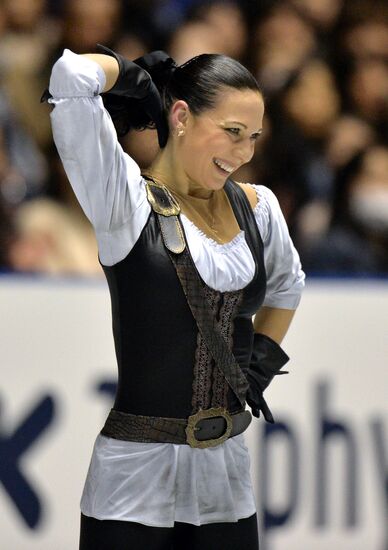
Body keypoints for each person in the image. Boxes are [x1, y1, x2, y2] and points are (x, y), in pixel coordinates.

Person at [46, 44, 305, 550]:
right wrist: (135, 76)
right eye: (231, 132)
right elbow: (71, 75)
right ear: (181, 116)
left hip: (226, 478)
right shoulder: (123, 202)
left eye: (252, 137)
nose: (244, 153)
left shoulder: (258, 207)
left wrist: (259, 369)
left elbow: (288, 284)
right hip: (133, 480)